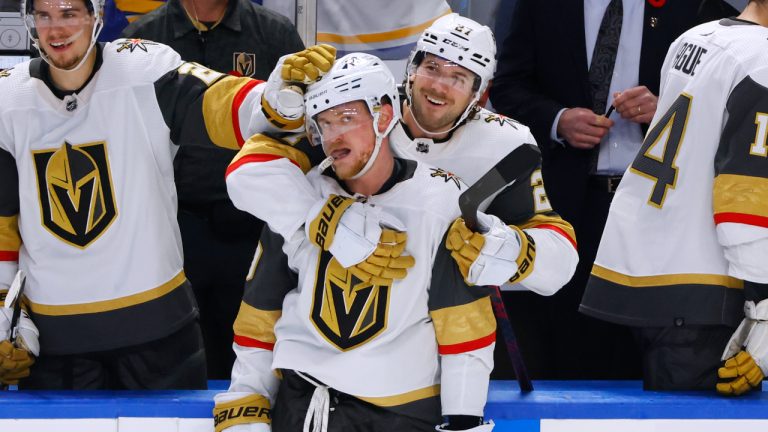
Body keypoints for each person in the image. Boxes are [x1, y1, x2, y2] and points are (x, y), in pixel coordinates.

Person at [226, 14, 578, 378]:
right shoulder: (357, 106)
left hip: (450, 323)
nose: (440, 86)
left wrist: (509, 250)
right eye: (432, 68)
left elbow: (559, 262)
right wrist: (323, 216)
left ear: (479, 94)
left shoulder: (507, 145)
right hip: (338, 316)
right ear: (411, 68)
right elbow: (252, 171)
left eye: (458, 77)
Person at [0, 0, 291, 389]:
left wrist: (276, 101)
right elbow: (3, 222)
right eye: (44, 16)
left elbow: (219, 100)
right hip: (58, 346)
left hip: (159, 336)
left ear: (95, 17)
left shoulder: (144, 70)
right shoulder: (8, 99)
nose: (56, 29)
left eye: (69, 14)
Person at [214, 52, 496, 432]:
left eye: (346, 118)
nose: (333, 137)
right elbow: (260, 315)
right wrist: (246, 403)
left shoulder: (441, 203)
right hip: (303, 412)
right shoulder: (300, 195)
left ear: (383, 116)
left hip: (400, 418)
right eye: (324, 123)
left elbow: (464, 330)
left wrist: (463, 421)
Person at [489, 0, 737, 379]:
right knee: (570, 352)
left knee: (659, 352)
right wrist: (557, 120)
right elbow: (507, 85)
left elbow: (733, 97)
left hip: (663, 210)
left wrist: (666, 108)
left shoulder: (697, 6)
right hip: (569, 207)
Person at [581, 0, 768, 394]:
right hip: (708, 288)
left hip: (651, 268)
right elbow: (745, 202)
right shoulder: (763, 59)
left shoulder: (695, 36)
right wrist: (764, 313)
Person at [121, 0, 304, 379]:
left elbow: (302, 130)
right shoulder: (143, 41)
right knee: (178, 356)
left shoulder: (275, 34)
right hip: (172, 232)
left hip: (255, 234)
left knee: (255, 351)